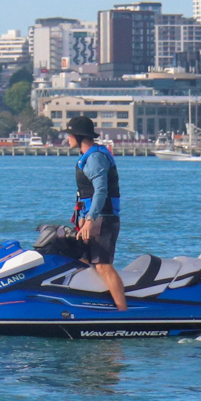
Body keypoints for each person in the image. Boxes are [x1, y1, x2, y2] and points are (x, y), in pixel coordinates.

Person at [43, 115, 128, 311]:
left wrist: (90, 219)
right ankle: (87, 303)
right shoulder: (88, 156)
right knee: (80, 261)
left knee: (103, 266)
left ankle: (123, 312)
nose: (68, 139)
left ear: (80, 137)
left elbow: (101, 191)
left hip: (103, 219)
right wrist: (83, 219)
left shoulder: (96, 157)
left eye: (70, 135)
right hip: (93, 218)